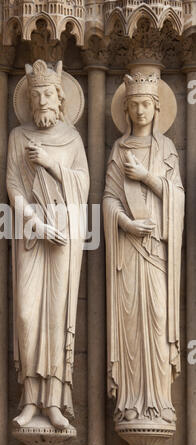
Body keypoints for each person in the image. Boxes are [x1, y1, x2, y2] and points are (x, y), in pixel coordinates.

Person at [7, 60, 89, 430]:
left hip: (64, 236)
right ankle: (29, 396)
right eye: (35, 94)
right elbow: (13, 187)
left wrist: (53, 163)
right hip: (30, 232)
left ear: (59, 97)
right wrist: (36, 223)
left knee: (57, 314)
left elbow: (83, 186)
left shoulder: (72, 139)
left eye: (47, 94)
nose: (41, 100)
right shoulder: (17, 137)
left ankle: (53, 401)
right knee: (27, 313)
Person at [103, 72, 184, 424]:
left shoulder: (166, 149)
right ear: (125, 108)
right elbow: (107, 199)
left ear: (157, 107)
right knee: (131, 325)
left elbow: (178, 198)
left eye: (146, 104)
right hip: (128, 249)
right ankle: (132, 401)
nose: (140, 110)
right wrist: (125, 223)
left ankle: (160, 402)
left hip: (157, 252)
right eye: (134, 103)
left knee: (156, 319)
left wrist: (147, 178)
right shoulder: (118, 150)